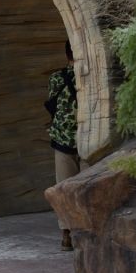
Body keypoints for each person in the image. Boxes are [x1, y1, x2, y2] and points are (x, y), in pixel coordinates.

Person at [47, 40, 89, 251]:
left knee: (63, 189)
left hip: (63, 140)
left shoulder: (56, 78)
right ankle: (89, 234)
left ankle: (66, 235)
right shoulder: (91, 77)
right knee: (87, 189)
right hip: (89, 141)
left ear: (66, 54)